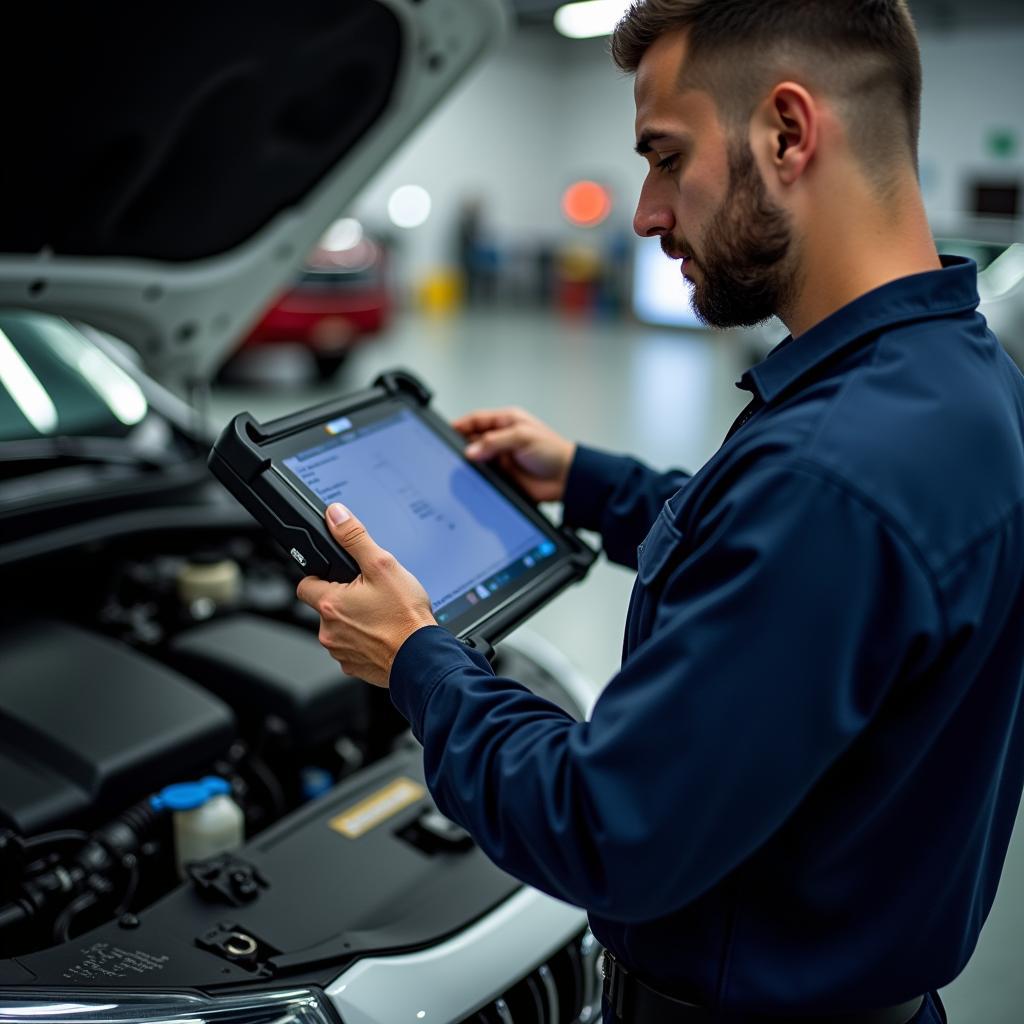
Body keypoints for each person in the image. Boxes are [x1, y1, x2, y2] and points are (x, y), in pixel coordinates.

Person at [296, 2, 1024, 1021]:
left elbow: (606, 828)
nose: (644, 212)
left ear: (785, 133)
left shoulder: (829, 474)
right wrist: (588, 480)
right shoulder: (957, 380)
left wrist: (417, 660)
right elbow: (792, 579)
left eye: (664, 157)